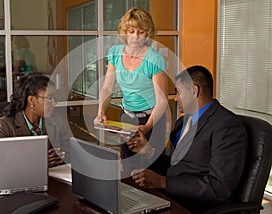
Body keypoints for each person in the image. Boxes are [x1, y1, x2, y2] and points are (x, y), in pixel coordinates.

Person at [127, 65, 248, 212]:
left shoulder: (227, 126)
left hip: (196, 206)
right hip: (173, 196)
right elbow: (178, 166)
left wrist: (163, 182)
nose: (176, 98)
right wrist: (149, 152)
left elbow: (219, 188)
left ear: (194, 91)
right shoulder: (183, 123)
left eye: (178, 91)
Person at [94, 7, 168, 161]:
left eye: (141, 32)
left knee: (151, 166)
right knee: (128, 164)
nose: (136, 36)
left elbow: (162, 101)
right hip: (127, 117)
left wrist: (146, 127)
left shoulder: (154, 60)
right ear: (125, 31)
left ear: (147, 33)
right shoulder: (115, 53)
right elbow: (108, 87)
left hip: (151, 119)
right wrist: (101, 110)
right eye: (131, 31)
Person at [0, 73, 71, 168]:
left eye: (54, 98)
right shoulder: (4, 125)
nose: (54, 103)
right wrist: (39, 162)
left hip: (54, 177)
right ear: (31, 100)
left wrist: (60, 156)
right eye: (49, 98)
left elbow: (68, 151)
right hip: (19, 180)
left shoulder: (56, 120)